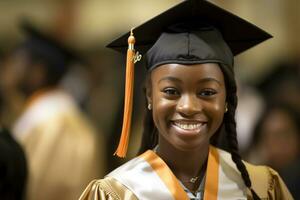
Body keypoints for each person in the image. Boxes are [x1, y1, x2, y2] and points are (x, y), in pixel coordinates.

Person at [80, 0, 293, 199]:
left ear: (227, 98)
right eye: (171, 91)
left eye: (207, 92)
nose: (189, 106)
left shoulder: (261, 188)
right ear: (149, 96)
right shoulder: (117, 193)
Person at [4, 21, 105, 200]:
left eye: (18, 62)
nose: (10, 70)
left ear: (38, 73)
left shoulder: (50, 125)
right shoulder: (62, 118)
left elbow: (34, 190)